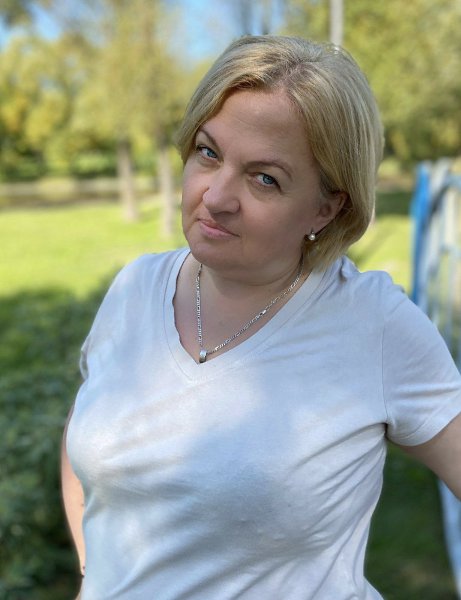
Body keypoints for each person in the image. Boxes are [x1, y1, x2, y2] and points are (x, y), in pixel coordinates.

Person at [61, 35, 461, 600]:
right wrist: (92, 575)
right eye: (208, 153)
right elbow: (85, 439)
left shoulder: (373, 324)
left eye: (264, 178)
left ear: (326, 208)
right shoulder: (134, 289)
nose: (216, 197)